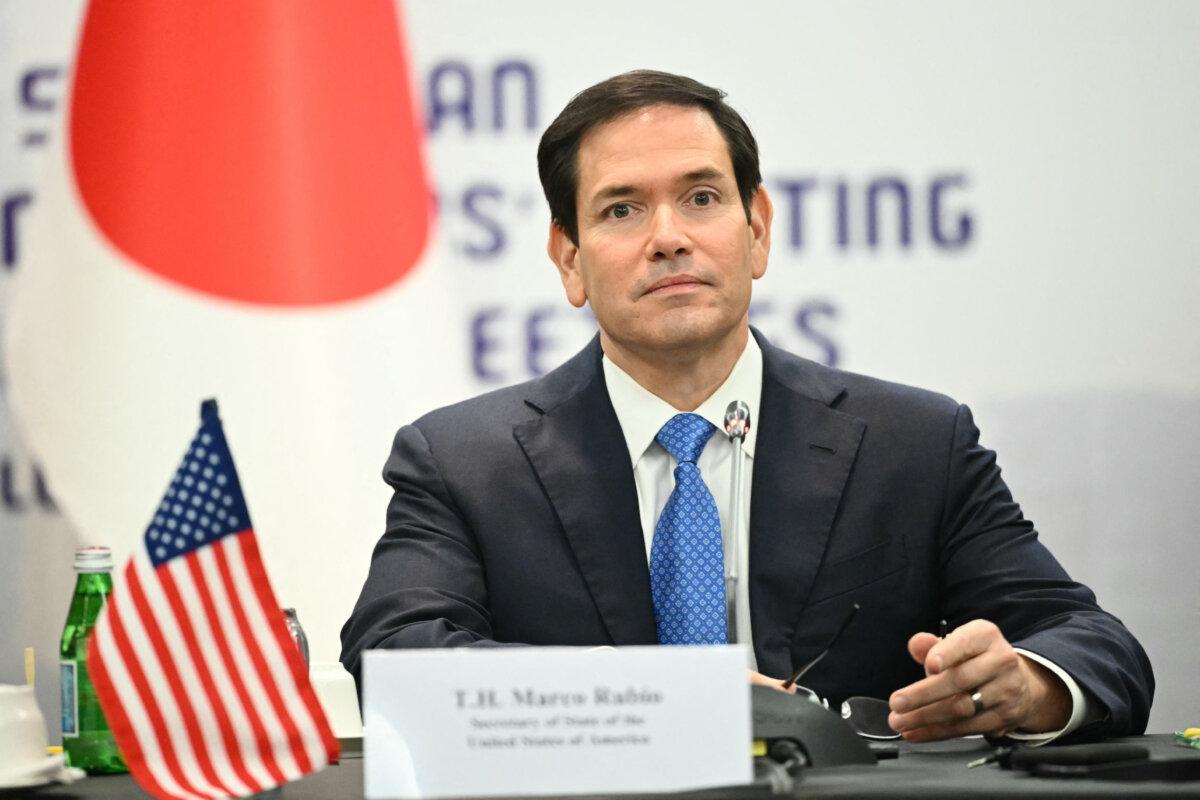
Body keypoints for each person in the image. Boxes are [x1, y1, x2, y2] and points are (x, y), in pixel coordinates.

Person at [341, 70, 1153, 743]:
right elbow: (395, 656)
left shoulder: (914, 442)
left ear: (756, 230)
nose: (668, 237)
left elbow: (1092, 643)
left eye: (701, 198)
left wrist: (1031, 686)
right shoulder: (463, 461)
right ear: (570, 259)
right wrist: (663, 695)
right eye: (622, 209)